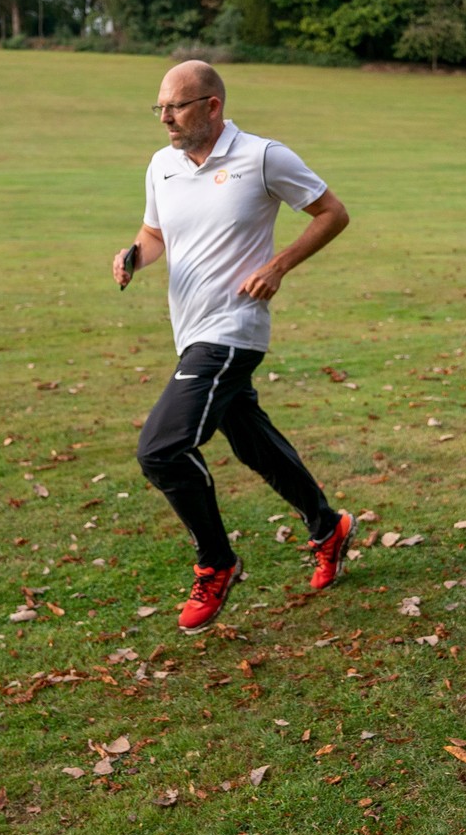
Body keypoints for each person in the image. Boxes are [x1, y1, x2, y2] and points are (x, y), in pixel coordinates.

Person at [114, 60, 355, 634]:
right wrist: (132, 256)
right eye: (161, 109)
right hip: (189, 329)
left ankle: (216, 562)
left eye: (176, 106)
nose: (166, 118)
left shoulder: (264, 157)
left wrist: (279, 266)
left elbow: (332, 213)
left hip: (232, 329)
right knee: (251, 442)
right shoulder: (161, 166)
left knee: (161, 450)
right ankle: (329, 526)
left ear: (213, 106)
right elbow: (156, 234)